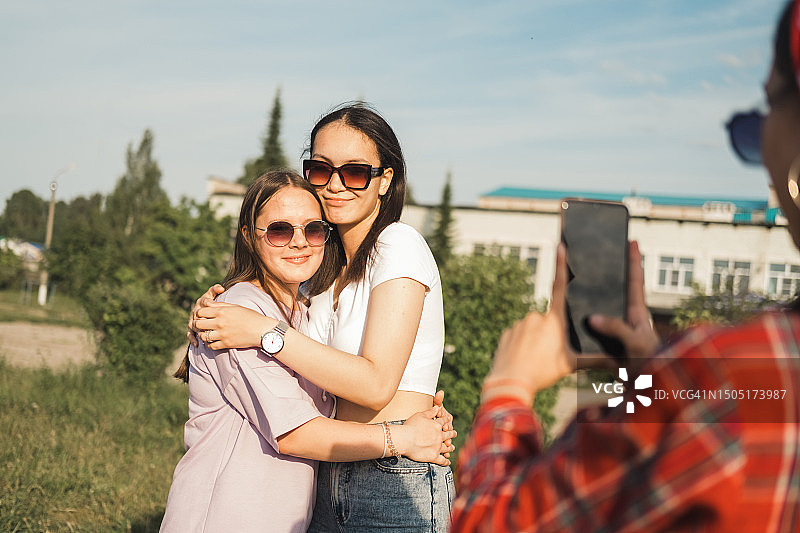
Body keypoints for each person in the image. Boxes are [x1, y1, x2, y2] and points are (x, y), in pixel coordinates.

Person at [450, 2, 800, 531]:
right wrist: (656, 374)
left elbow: (488, 521)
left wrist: (508, 390)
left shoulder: (733, 374)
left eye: (762, 120)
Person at [190, 103, 456, 531]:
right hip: (326, 469)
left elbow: (375, 385)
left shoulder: (398, 244)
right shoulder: (320, 272)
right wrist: (211, 312)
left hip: (394, 475)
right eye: (320, 169)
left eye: (354, 173)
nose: (335, 185)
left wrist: (263, 331)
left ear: (385, 179)